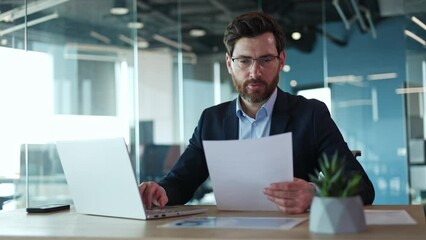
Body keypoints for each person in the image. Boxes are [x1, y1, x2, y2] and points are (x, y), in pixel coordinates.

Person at [139, 11, 375, 214]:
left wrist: (315, 194)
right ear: (230, 64)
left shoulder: (311, 114)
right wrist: (160, 191)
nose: (255, 72)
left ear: (281, 60)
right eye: (244, 60)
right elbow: (180, 182)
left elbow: (362, 187)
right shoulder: (211, 120)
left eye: (265, 59)